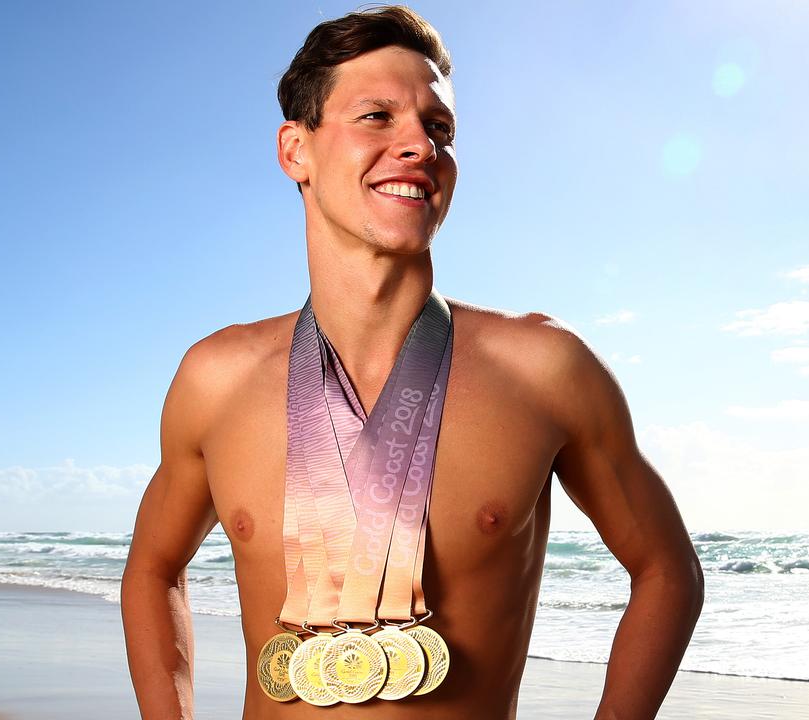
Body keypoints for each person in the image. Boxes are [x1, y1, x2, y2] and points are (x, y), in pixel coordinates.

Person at [120, 6, 704, 719]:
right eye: (377, 116)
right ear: (295, 150)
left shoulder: (544, 368)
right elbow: (152, 568)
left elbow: (667, 570)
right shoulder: (216, 378)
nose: (419, 145)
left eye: (440, 127)